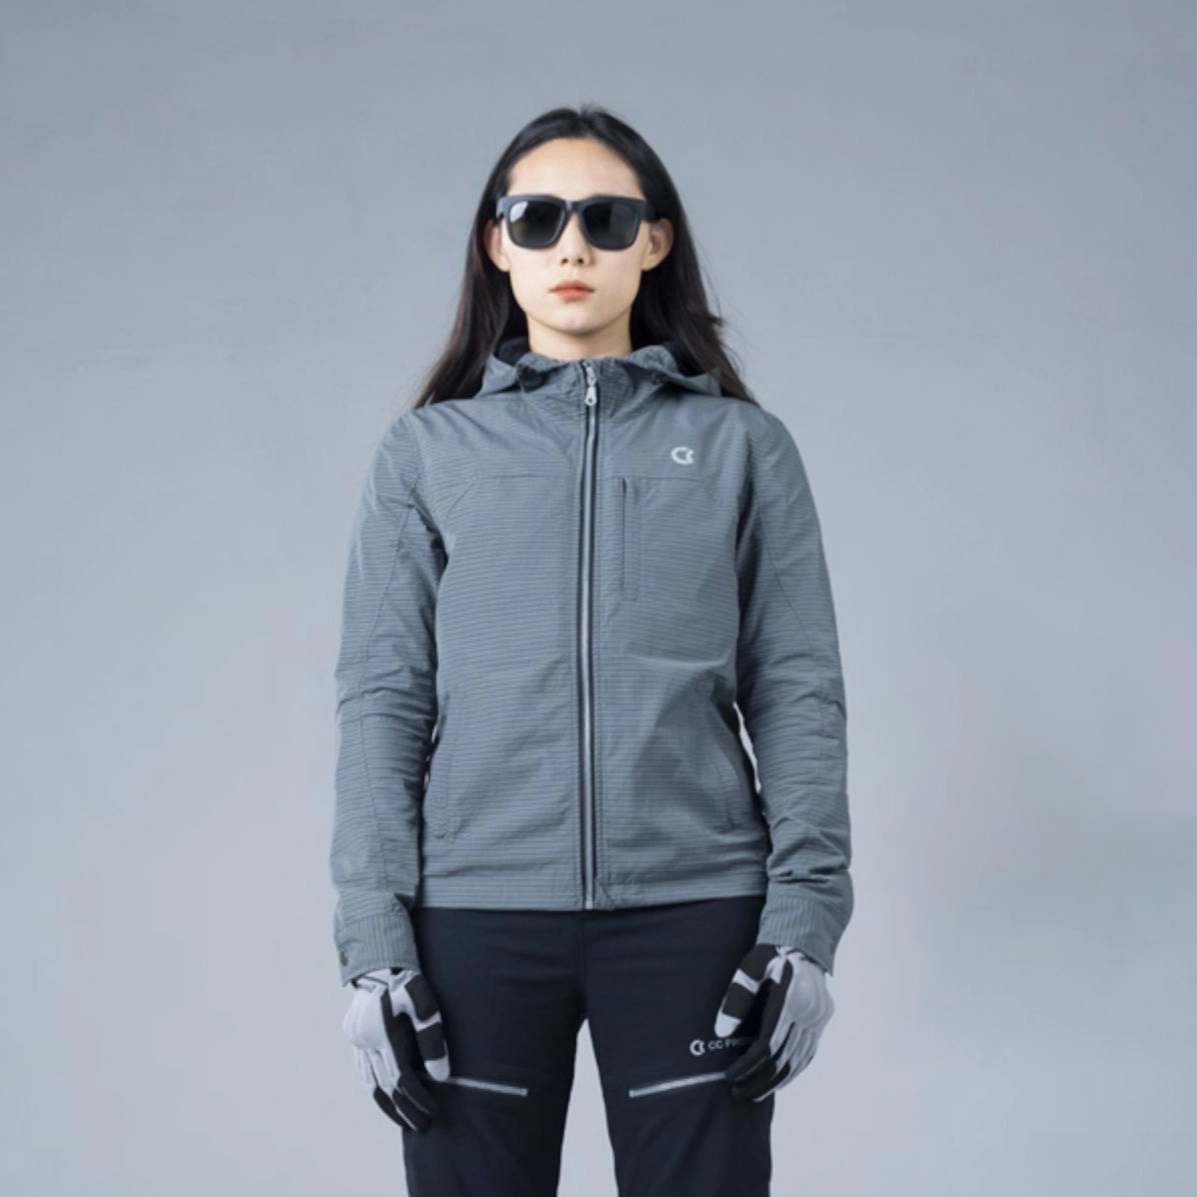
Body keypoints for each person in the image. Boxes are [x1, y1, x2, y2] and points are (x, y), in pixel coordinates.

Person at [329, 103, 853, 1197]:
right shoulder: (427, 453)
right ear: (497, 243)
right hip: (472, 919)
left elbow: (797, 688)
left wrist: (804, 923)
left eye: (605, 219)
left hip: (695, 914)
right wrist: (374, 942)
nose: (572, 246)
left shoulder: (741, 448)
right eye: (539, 217)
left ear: (652, 241)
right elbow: (383, 699)